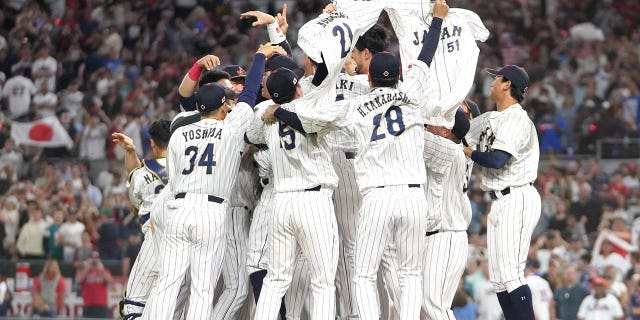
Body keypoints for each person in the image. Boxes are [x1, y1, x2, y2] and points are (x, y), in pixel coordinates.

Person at [141, 43, 281, 320]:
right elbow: (251, 92)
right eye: (227, 101)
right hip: (211, 211)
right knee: (203, 289)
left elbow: (176, 174)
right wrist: (260, 57)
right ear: (221, 106)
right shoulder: (230, 129)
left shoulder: (180, 132)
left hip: (178, 207)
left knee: (168, 282)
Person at [464, 64, 541, 320]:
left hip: (517, 196)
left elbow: (497, 160)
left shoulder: (517, 119)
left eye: (496, 78)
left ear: (507, 84)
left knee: (511, 275)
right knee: (498, 280)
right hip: (499, 201)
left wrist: (467, 152)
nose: (492, 83)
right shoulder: (492, 117)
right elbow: (467, 129)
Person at [112, 119, 171, 319]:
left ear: (152, 143)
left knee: (133, 305)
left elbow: (136, 195)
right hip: (184, 240)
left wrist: (130, 152)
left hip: (155, 241)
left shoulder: (144, 173)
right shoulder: (187, 168)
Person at [421, 108, 471, 320]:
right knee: (426, 307)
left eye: (434, 122)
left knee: (433, 304)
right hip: (444, 235)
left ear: (445, 131)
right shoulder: (454, 148)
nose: (428, 123)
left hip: (445, 237)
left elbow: (412, 132)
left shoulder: (447, 149)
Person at [76, 251, 114, 318]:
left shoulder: (104, 270)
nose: (94, 259)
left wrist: (101, 270)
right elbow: (78, 280)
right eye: (92, 257)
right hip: (88, 305)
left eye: (96, 257)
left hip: (102, 305)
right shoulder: (83, 270)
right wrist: (87, 268)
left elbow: (111, 281)